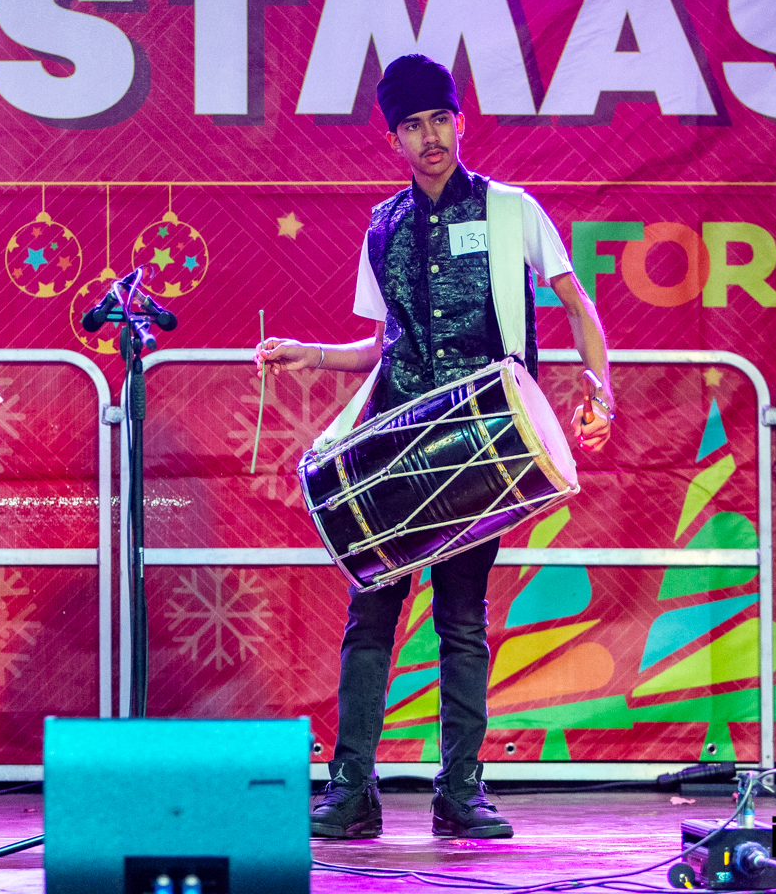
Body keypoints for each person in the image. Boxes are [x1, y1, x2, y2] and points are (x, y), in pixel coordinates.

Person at [255, 53, 613, 842]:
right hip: (394, 445)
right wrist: (312, 353)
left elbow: (576, 301)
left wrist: (600, 386)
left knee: (461, 620)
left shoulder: (511, 210)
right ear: (394, 139)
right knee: (370, 615)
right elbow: (382, 345)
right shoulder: (382, 227)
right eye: (412, 126)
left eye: (440, 120)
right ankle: (352, 791)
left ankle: (461, 792)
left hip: (484, 443)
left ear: (461, 122)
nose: (430, 137)